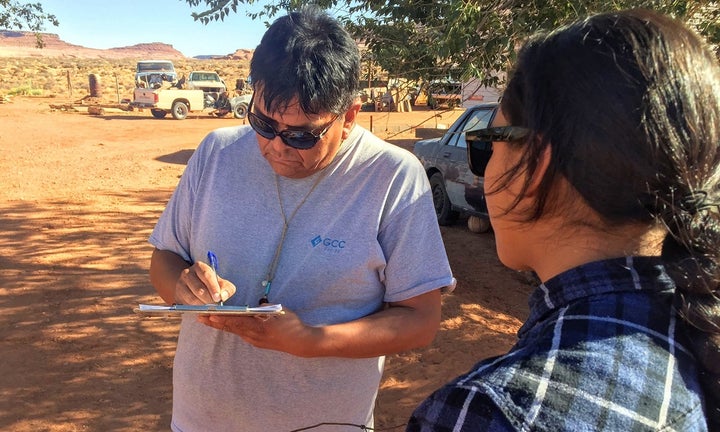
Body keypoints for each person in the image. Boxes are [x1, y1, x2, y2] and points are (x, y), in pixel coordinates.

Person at [408, 9, 719, 432]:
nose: (484, 166)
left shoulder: (490, 413)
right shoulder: (699, 328)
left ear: (536, 166)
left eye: (485, 147)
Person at [148, 7, 454, 432]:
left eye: (301, 134)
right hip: (202, 419)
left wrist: (312, 341)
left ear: (348, 116)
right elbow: (165, 257)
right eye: (262, 123)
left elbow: (420, 319)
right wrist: (181, 287)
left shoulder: (393, 177)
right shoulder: (216, 152)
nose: (277, 147)